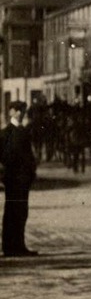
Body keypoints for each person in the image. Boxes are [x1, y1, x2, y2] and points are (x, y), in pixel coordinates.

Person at [0, 101, 39, 257]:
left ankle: (19, 245)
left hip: (23, 179)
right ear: (12, 113)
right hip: (12, 178)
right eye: (19, 111)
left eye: (23, 111)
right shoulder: (4, 133)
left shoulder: (24, 131)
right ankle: (9, 247)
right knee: (11, 211)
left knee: (22, 211)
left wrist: (31, 171)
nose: (22, 114)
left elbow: (29, 155)